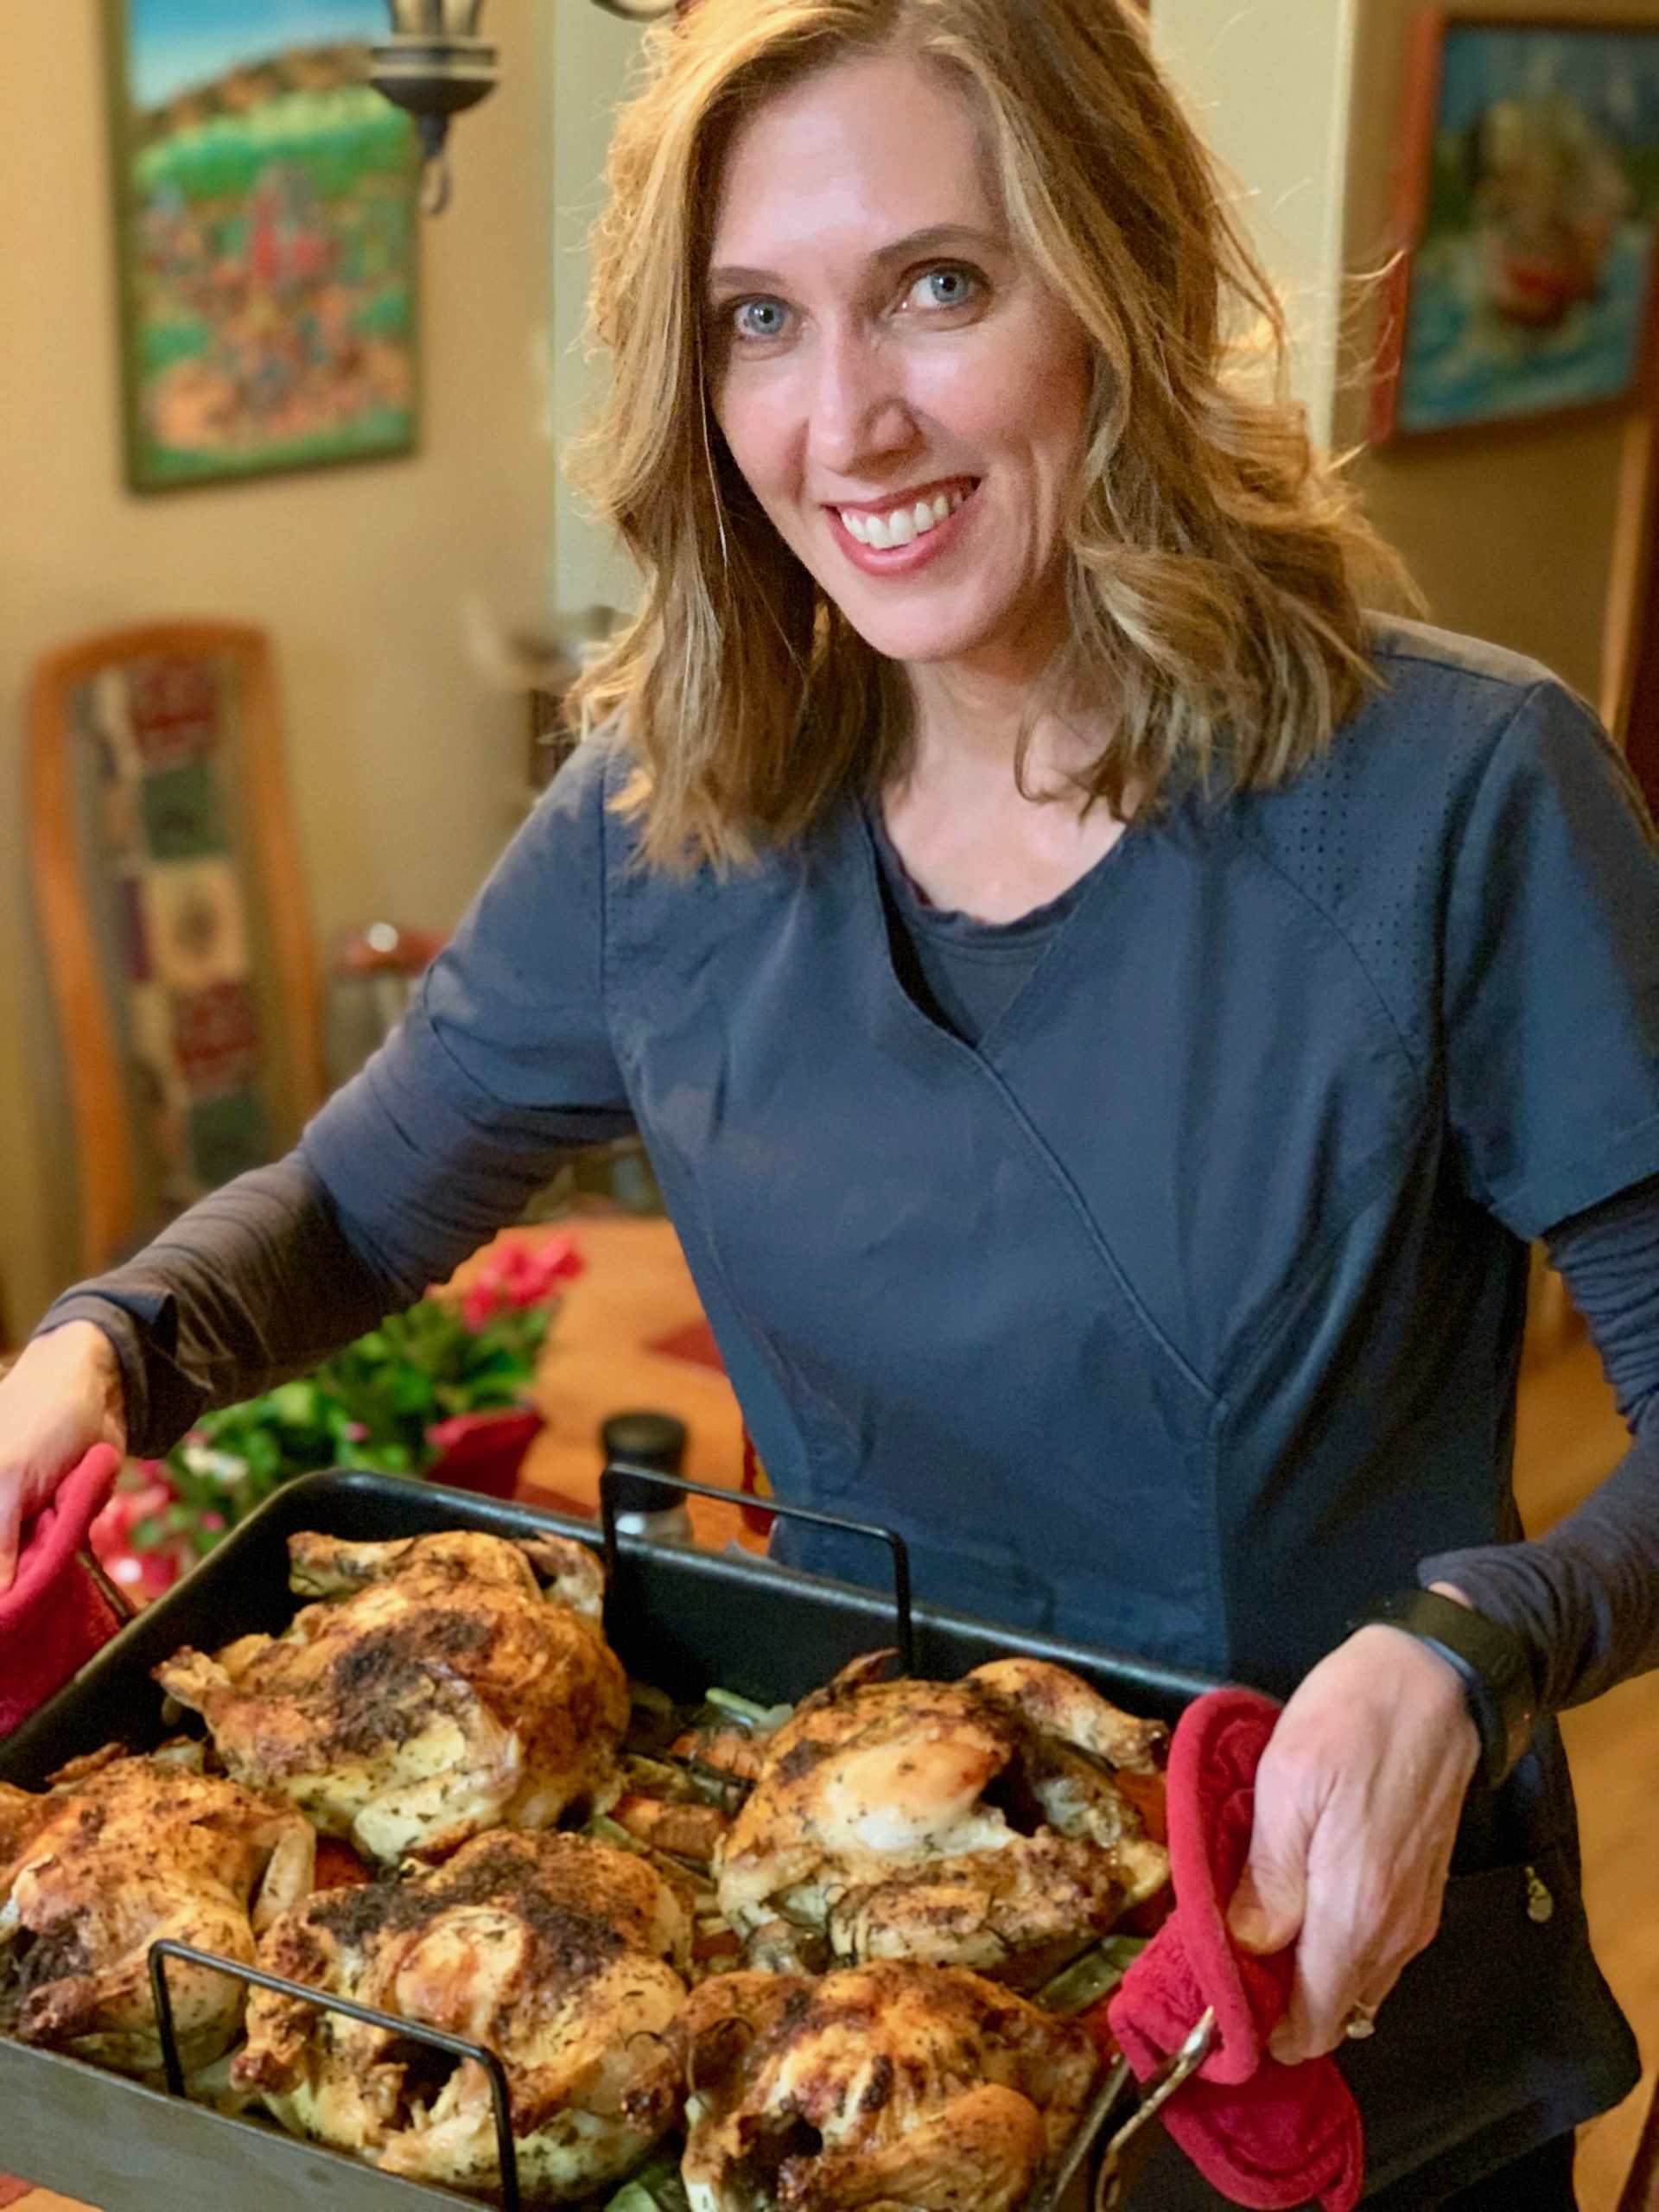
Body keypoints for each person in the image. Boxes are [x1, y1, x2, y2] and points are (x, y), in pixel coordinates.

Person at [2, 2, 1656, 2202]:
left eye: (940, 287)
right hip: (860, 2029)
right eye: (758, 322)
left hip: (1304, 2013)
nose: (844, 418)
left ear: (1121, 287)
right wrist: (100, 1344)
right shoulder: (665, 820)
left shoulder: (1452, 798)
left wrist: (1472, 1642)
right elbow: (346, 1210)